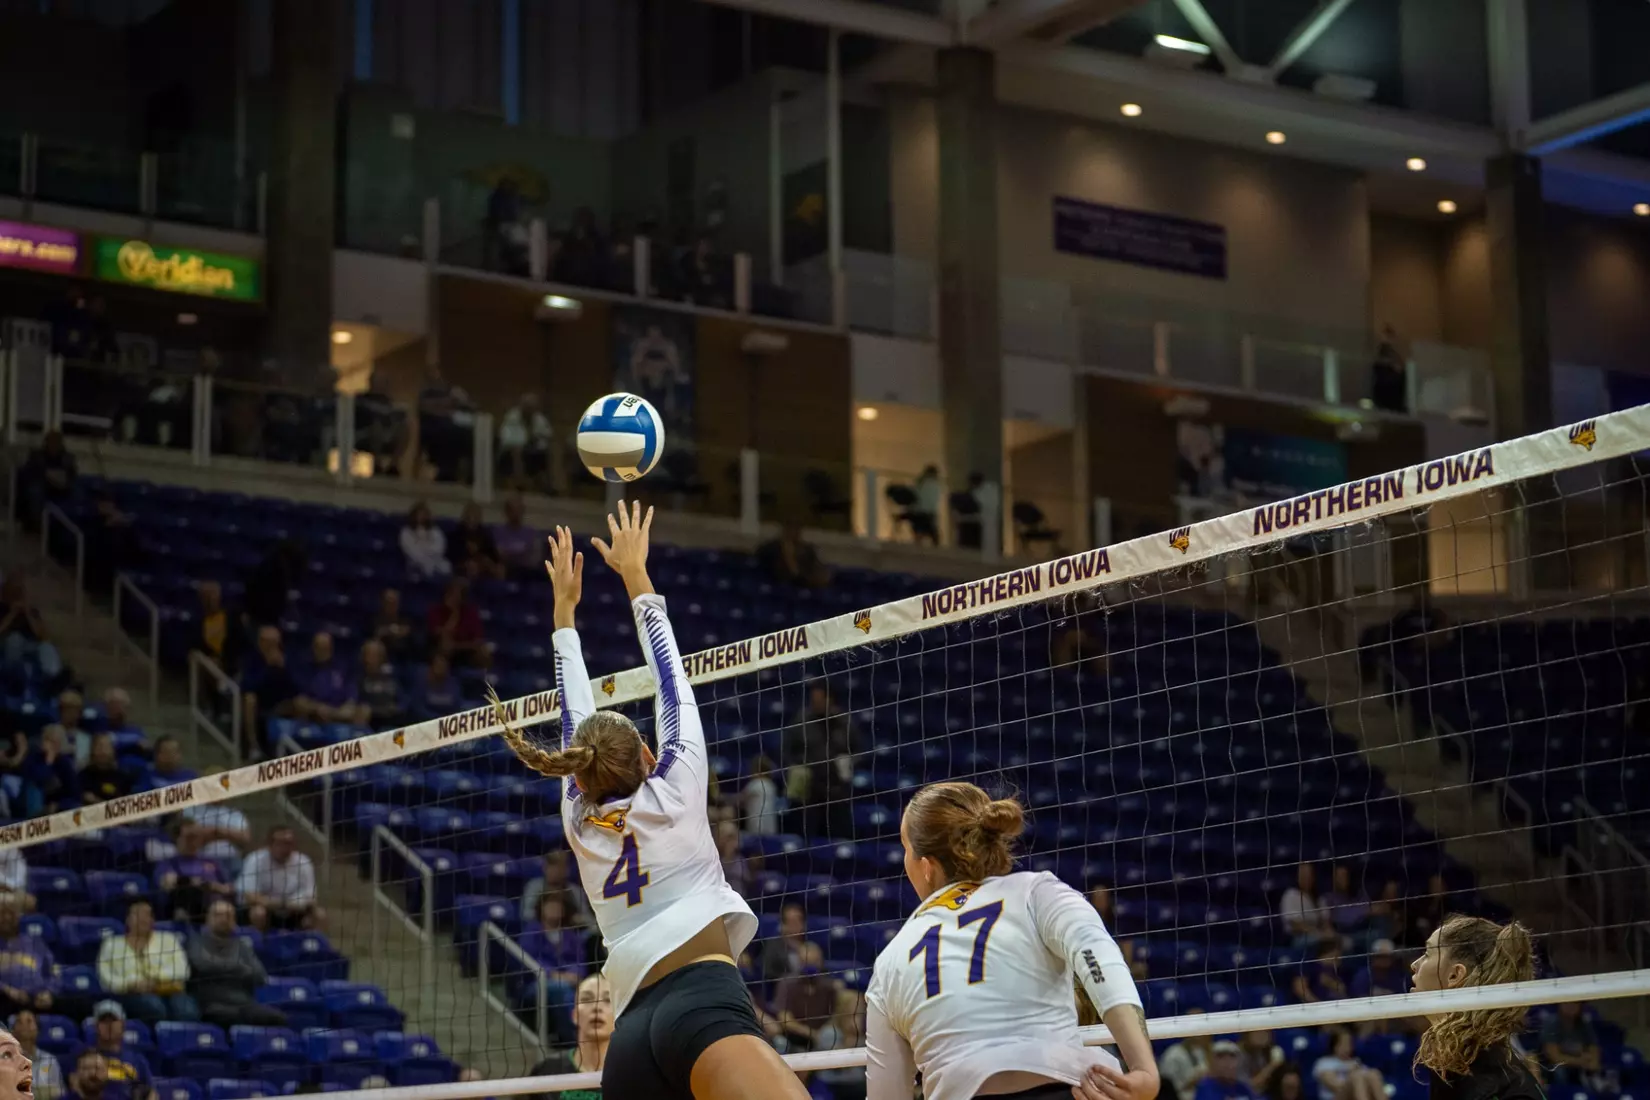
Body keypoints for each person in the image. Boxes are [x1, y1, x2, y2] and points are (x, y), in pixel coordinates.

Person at [491, 507, 809, 1100]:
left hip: (632, 1035)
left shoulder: (578, 820)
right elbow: (668, 678)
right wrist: (634, 575)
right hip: (700, 1005)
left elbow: (574, 716)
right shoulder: (674, 788)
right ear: (646, 753)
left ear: (579, 771)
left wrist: (564, 615)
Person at [863, 782, 1157, 1100]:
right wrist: (1143, 1068)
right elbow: (1098, 959)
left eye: (906, 848)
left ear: (926, 867)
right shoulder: (1035, 892)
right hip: (1062, 1088)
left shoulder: (890, 960)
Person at [1409, 916, 1544, 1100]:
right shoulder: (1453, 1059)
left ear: (1455, 975)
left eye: (1427, 953)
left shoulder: (1497, 1082)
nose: (1414, 965)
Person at [186, 899, 288, 1030]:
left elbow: (260, 976)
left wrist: (223, 968)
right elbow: (203, 965)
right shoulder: (196, 942)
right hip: (212, 1005)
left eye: (228, 916)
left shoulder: (242, 946)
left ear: (234, 921)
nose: (224, 919)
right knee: (233, 1017)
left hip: (245, 1004)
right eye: (218, 915)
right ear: (208, 919)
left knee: (278, 1018)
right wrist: (240, 967)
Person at [95, 900, 197, 1024]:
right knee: (155, 1008)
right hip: (131, 993)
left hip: (169, 990)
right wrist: (130, 985)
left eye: (147, 914)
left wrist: (154, 979)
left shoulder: (168, 939)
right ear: (128, 920)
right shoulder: (112, 944)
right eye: (137, 914)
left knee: (187, 1011)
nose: (143, 918)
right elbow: (105, 977)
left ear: (153, 920)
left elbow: (183, 970)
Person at [527, 973, 612, 1100]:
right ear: (575, 1015)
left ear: (620, 1014)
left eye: (608, 1000)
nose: (597, 1007)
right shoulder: (547, 1070)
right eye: (587, 999)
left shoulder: (635, 1073)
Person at [236, 826, 324, 932]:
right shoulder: (254, 860)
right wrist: (282, 904)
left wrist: (296, 905)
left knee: (319, 914)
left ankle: (312, 942)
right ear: (270, 845)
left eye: (289, 843)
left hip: (293, 911)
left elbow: (311, 898)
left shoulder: (303, 861)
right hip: (266, 910)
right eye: (281, 843)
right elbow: (250, 896)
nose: (285, 848)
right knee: (258, 912)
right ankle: (257, 942)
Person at [156, 821, 233, 924]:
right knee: (188, 891)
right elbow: (168, 883)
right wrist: (205, 884)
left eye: (197, 836)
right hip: (184, 907)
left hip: (214, 908)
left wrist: (211, 886)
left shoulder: (212, 861)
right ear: (177, 838)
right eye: (189, 837)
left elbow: (228, 888)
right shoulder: (169, 863)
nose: (194, 841)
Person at [772, 941, 836, 1051]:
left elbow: (835, 1016)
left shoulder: (828, 986)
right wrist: (811, 1033)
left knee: (831, 1034)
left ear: (821, 962)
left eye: (814, 962)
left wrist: (821, 1033)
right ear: (799, 962)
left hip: (822, 1034)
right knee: (781, 1043)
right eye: (806, 962)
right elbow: (785, 1020)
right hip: (794, 1036)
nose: (810, 967)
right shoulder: (786, 984)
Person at [294, 632, 367, 726]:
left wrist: (337, 710)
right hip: (314, 711)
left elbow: (351, 694)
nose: (323, 652)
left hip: (338, 711)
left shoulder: (342, 668)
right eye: (319, 648)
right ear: (313, 648)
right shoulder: (305, 668)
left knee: (361, 709)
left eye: (326, 648)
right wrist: (317, 708)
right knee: (299, 703)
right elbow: (302, 696)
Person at [0, 577, 63, 684]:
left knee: (47, 646)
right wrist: (12, 613)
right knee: (15, 639)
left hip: (30, 645)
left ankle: (53, 677)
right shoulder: (2, 610)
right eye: (14, 591)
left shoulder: (31, 611)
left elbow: (42, 635)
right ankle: (15, 674)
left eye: (19, 592)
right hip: (7, 645)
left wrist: (28, 613)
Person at [0, 898, 56, 1017]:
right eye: (2, 913)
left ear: (18, 917)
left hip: (36, 1000)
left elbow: (51, 972)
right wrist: (6, 990)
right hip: (5, 999)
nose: (7, 918)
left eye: (11, 913)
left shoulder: (35, 943)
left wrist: (48, 991)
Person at [86, 1002, 151, 1100]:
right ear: (96, 1026)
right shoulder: (85, 1059)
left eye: (113, 1020)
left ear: (123, 1024)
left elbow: (151, 1093)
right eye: (104, 1021)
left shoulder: (138, 1060)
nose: (109, 1025)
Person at [814, 988, 867, 1100]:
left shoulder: (863, 1034)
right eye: (853, 1013)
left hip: (856, 1082)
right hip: (833, 1084)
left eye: (860, 1012)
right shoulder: (829, 1032)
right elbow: (838, 1066)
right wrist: (849, 1041)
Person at [427, 578, 489, 667]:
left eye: (457, 595)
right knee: (445, 645)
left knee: (484, 651)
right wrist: (454, 615)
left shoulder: (471, 613)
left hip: (464, 649)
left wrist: (458, 646)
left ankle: (486, 675)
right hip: (440, 650)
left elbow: (477, 640)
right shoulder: (435, 610)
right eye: (450, 594)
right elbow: (439, 634)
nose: (452, 598)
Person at [1540, 1002, 1602, 1089]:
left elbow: (1593, 1047)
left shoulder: (1584, 1024)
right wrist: (1581, 1061)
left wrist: (1594, 1062)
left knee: (1595, 1072)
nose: (1571, 1006)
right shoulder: (1552, 1023)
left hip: (1578, 1064)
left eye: (1575, 1004)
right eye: (1567, 1004)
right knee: (1560, 1070)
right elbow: (1554, 1056)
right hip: (1554, 1066)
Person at [1310, 1030, 1383, 1100]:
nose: (1347, 1048)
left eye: (1349, 1044)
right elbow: (1334, 1086)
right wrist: (1351, 1077)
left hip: (1355, 1096)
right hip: (1335, 1097)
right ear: (1334, 1045)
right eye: (1343, 1044)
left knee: (1374, 1073)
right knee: (1356, 1077)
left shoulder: (1356, 1062)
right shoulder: (1324, 1062)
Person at [1279, 864, 1334, 951]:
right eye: (1303, 876)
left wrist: (1330, 933)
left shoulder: (1319, 899)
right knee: (1325, 942)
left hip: (1319, 935)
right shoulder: (1291, 895)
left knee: (1344, 942)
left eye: (1309, 875)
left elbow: (1325, 922)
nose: (1306, 878)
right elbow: (1295, 924)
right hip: (1299, 937)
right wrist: (1319, 934)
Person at [1159, 1011, 1212, 1100]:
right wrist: (1193, 1081)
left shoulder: (1203, 1051)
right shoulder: (1173, 1055)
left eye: (1201, 1025)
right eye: (1195, 1025)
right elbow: (1167, 1090)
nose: (1199, 1030)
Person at [10, 1010, 61, 1100]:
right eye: (19, 1022)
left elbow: (57, 1092)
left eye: (29, 1021)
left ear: (37, 1030)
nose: (24, 1025)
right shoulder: (5, 1060)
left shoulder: (49, 1060)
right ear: (12, 1031)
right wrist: (42, 1092)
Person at [358, 640, 406, 730]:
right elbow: (358, 705)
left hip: (391, 722)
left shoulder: (392, 677)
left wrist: (396, 708)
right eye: (369, 655)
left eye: (376, 655)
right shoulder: (358, 677)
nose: (371, 659)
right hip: (368, 725)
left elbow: (402, 702)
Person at [449, 502, 503, 579]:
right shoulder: (456, 534)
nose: (472, 519)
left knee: (498, 569)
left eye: (476, 515)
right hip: (463, 565)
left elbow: (493, 555)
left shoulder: (485, 534)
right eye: (469, 515)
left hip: (483, 565)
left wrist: (490, 562)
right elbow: (452, 556)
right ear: (464, 516)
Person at [493, 497, 542, 577]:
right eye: (512, 510)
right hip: (506, 570)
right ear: (506, 512)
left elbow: (534, 558)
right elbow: (499, 554)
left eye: (519, 510)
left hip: (526, 571)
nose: (516, 513)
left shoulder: (531, 532)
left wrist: (514, 555)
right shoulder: (498, 532)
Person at [78, 735, 133, 804]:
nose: (103, 751)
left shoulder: (122, 777)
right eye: (99, 747)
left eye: (106, 747)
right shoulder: (83, 777)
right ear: (92, 750)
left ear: (112, 750)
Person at [400, 502, 450, 578]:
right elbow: (412, 551)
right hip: (415, 564)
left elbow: (439, 548)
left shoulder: (435, 531)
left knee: (446, 567)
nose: (423, 517)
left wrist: (425, 547)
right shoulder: (406, 531)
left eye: (425, 514)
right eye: (420, 514)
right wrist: (426, 551)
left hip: (436, 562)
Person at [411, 652, 462, 721]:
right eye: (438, 665)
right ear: (432, 667)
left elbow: (456, 706)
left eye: (443, 666)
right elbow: (417, 707)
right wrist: (436, 718)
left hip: (446, 721)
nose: (441, 668)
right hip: (426, 721)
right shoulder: (422, 682)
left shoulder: (453, 683)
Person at [370, 588, 416, 662]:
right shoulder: (375, 620)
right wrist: (388, 631)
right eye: (389, 602)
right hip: (381, 657)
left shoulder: (405, 620)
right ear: (383, 603)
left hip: (402, 658)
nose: (392, 605)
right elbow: (373, 638)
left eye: (395, 602)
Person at [740, 757, 780, 837]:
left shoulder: (755, 784)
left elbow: (740, 800)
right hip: (771, 828)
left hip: (756, 827)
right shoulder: (771, 785)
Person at [1239, 1031, 1286, 1096]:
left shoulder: (1261, 1052)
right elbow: (1246, 1088)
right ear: (1246, 1034)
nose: (1264, 1035)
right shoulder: (1237, 1054)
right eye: (1259, 1031)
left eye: (1267, 1031)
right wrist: (1272, 1065)